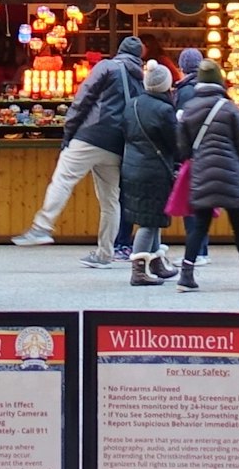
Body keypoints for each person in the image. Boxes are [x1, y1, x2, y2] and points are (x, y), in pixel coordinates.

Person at [16, 31, 136, 260]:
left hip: (90, 135)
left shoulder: (106, 67)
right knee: (111, 200)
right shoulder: (139, 77)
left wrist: (68, 134)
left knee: (64, 178)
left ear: (120, 51)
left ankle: (42, 226)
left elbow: (83, 98)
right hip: (116, 144)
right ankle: (104, 254)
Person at [172, 57, 239, 289]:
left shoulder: (189, 109)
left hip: (202, 172)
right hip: (230, 171)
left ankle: (186, 275)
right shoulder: (229, 108)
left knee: (199, 225)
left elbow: (182, 148)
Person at [119, 57, 182, 285]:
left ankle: (155, 263)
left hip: (132, 168)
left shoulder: (132, 104)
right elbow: (175, 145)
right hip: (154, 171)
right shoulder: (165, 110)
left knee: (151, 217)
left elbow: (124, 132)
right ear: (165, 85)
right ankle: (139, 271)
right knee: (149, 222)